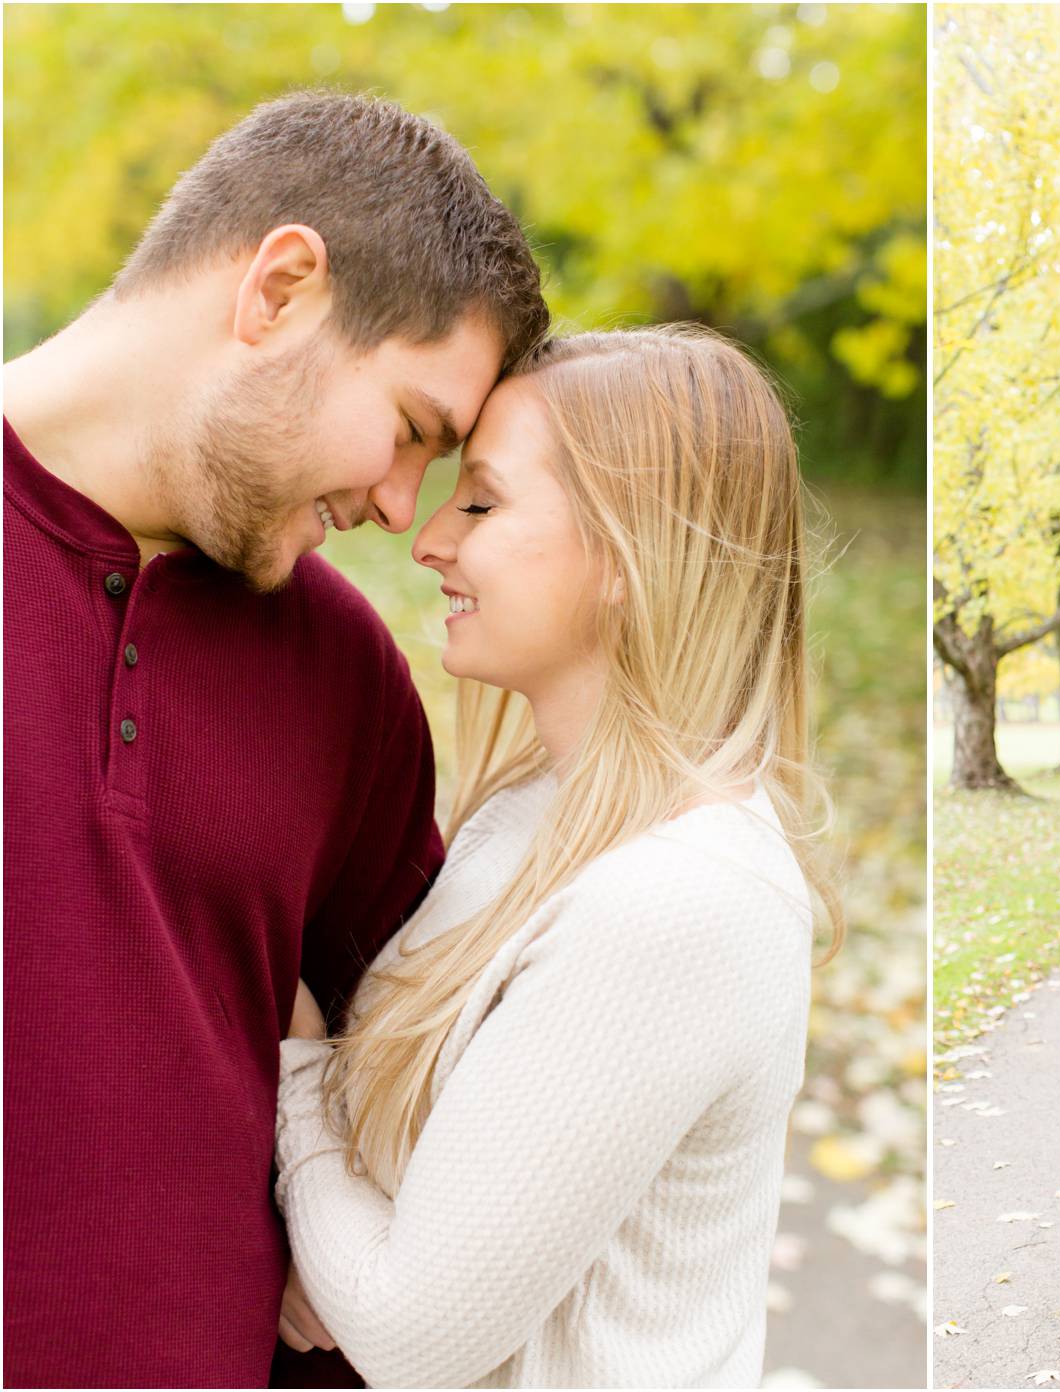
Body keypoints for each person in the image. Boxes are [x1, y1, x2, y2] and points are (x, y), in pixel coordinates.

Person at [3, 92, 549, 1388]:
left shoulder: (341, 675)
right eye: (413, 427)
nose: (399, 505)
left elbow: (412, 1099)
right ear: (282, 289)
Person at [269, 326, 839, 1389]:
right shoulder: (538, 809)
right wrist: (338, 1245)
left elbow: (405, 1332)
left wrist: (297, 1082)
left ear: (627, 557)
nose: (428, 537)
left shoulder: (681, 897)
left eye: (480, 502)